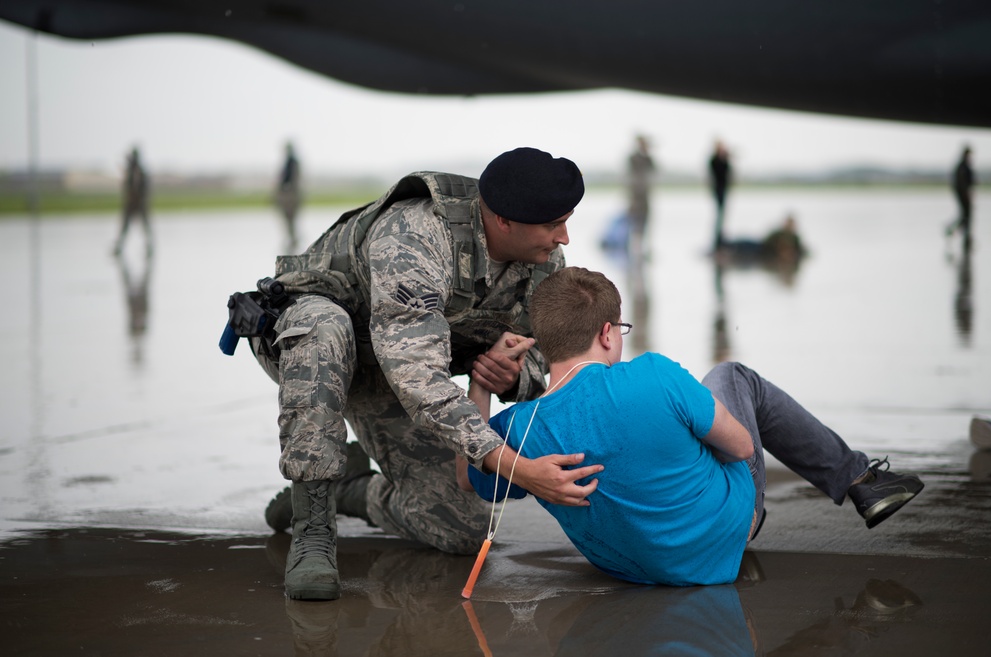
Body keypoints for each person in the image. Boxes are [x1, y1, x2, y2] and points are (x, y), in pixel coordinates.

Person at [241, 147, 601, 601]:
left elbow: (546, 354)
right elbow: (418, 378)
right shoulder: (415, 235)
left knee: (462, 529)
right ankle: (312, 523)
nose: (564, 237)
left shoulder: (543, 262)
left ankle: (352, 490)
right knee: (323, 331)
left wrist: (506, 374)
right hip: (315, 348)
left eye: (566, 221)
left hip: (389, 371)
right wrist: (517, 467)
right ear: (504, 221)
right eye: (553, 224)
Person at [462, 267, 925, 586]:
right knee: (731, 378)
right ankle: (860, 479)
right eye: (619, 330)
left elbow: (468, 476)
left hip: (628, 568)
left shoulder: (517, 428)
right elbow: (743, 447)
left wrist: (480, 385)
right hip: (725, 537)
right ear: (606, 332)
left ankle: (860, 479)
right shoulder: (654, 374)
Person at [112, 146, 152, 256]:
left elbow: (144, 188)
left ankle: (149, 248)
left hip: (140, 203)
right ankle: (119, 247)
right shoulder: (131, 171)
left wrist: (141, 200)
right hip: (131, 204)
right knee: (125, 227)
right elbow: (127, 187)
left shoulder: (141, 172)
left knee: (145, 227)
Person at [626, 134, 656, 247]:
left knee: (645, 222)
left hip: (645, 196)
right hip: (635, 197)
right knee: (634, 222)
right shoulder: (633, 158)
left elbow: (654, 172)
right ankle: (633, 245)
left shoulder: (648, 159)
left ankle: (642, 245)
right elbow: (630, 176)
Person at [276, 141, 302, 249]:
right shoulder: (290, 162)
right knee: (289, 220)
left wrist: (286, 190)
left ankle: (293, 240)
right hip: (290, 195)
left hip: (291, 195)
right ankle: (292, 239)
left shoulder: (292, 163)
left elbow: (292, 180)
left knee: (290, 219)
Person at [946, 146, 975, 245]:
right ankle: (954, 231)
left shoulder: (964, 166)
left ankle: (964, 236)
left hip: (964, 195)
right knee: (965, 216)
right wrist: (966, 194)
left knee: (965, 216)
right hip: (963, 195)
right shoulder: (963, 167)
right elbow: (961, 183)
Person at [709, 140, 732, 251]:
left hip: (724, 189)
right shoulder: (714, 160)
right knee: (719, 215)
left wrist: (726, 157)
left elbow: (729, 172)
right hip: (718, 190)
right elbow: (714, 173)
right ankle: (716, 241)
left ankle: (720, 238)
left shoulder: (725, 160)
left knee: (722, 215)